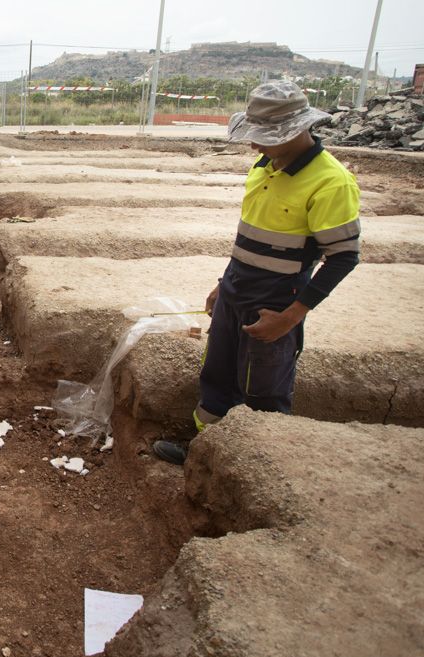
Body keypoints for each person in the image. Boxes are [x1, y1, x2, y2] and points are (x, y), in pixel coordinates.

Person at [154, 81, 361, 465]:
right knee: (217, 380)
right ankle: (204, 458)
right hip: (235, 293)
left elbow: (344, 257)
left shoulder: (331, 182)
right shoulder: (265, 165)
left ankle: (253, 473)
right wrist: (222, 284)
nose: (253, 145)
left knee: (263, 392)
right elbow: (250, 236)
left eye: (263, 137)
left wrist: (288, 319)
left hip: (274, 305)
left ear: (297, 131)